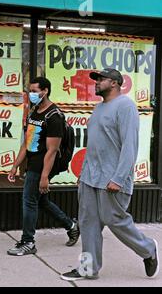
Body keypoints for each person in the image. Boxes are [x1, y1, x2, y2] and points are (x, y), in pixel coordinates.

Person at [61, 68, 159, 281]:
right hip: (90, 177)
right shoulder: (98, 108)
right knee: (88, 223)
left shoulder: (125, 106)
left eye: (101, 79)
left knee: (114, 219)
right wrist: (83, 173)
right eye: (96, 79)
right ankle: (88, 269)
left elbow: (129, 146)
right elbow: (94, 144)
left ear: (114, 83)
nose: (96, 82)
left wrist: (119, 177)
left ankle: (148, 248)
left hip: (112, 178)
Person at [7, 77, 80, 256]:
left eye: (34, 90)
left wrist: (45, 176)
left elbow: (52, 150)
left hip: (43, 164)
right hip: (32, 162)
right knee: (40, 201)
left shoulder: (54, 116)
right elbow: (27, 142)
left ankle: (28, 241)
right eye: (29, 91)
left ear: (45, 91)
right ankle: (71, 226)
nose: (31, 94)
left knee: (29, 200)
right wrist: (15, 165)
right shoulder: (34, 112)